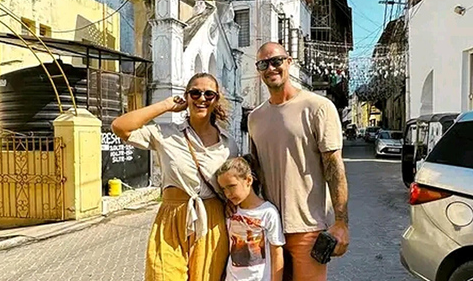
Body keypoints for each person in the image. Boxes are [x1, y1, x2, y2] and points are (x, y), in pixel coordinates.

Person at [111, 73, 238, 281]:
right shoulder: (165, 133)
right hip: (171, 217)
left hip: (212, 219)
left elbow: (235, 182)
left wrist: (235, 204)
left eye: (209, 94)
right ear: (187, 97)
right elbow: (120, 127)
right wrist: (166, 105)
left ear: (216, 100)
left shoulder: (228, 144)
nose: (201, 98)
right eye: (195, 93)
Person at [247, 42, 350, 281]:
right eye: (263, 64)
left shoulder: (318, 107)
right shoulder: (255, 118)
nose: (270, 68)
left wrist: (341, 222)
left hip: (308, 228)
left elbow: (334, 167)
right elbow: (256, 171)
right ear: (258, 69)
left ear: (289, 62)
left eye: (276, 61)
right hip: (269, 228)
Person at [217, 157, 285, 281]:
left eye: (231, 186)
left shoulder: (268, 212)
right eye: (223, 189)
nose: (227, 194)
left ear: (248, 180)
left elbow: (277, 253)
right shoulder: (230, 211)